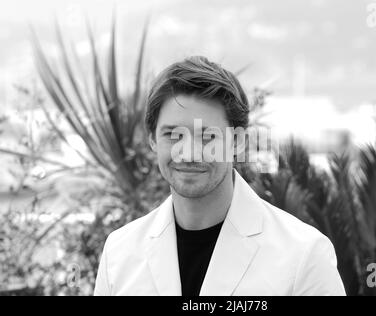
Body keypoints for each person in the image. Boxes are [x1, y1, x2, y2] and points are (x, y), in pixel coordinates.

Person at [94, 56, 346, 296]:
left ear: (237, 141)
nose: (189, 153)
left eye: (207, 137)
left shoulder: (304, 255)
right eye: (173, 134)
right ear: (152, 139)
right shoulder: (119, 253)